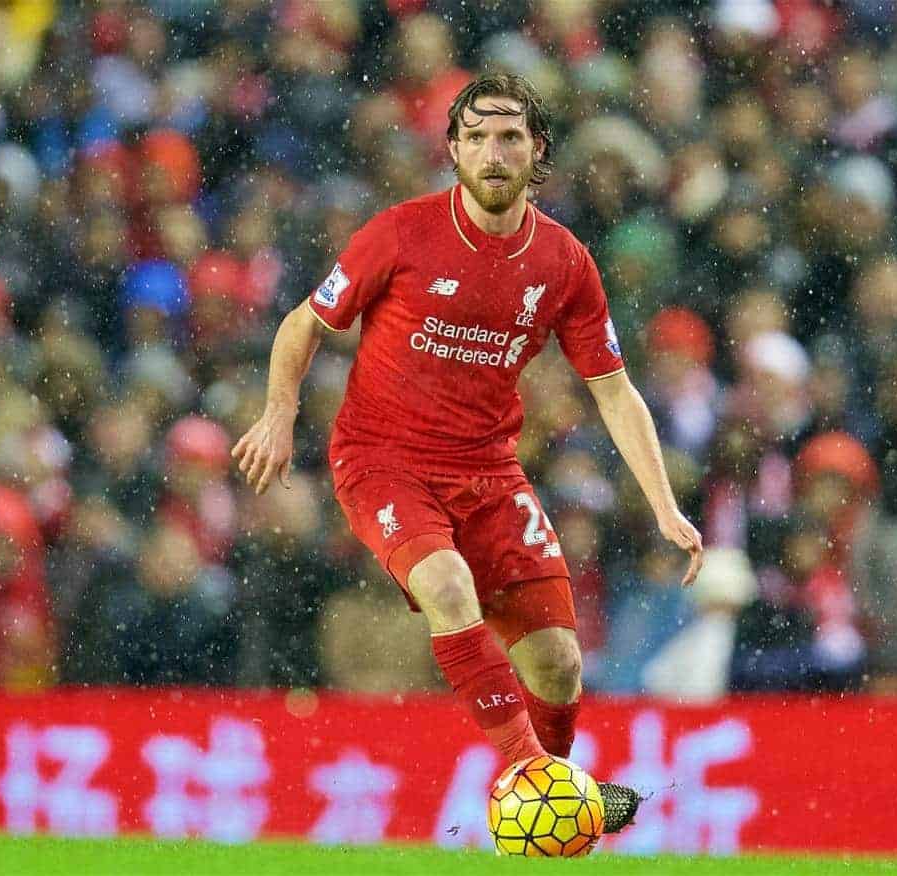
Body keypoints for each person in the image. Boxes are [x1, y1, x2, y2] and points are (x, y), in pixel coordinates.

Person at [232, 73, 704, 834]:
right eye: (476, 136)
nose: (492, 152)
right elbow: (302, 323)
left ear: (537, 151)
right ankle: (543, 791)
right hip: (382, 460)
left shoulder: (564, 262)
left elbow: (614, 391)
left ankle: (551, 815)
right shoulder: (400, 232)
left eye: (510, 136)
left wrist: (663, 504)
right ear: (452, 148)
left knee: (558, 662)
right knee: (448, 588)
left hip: (488, 472)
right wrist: (279, 415)